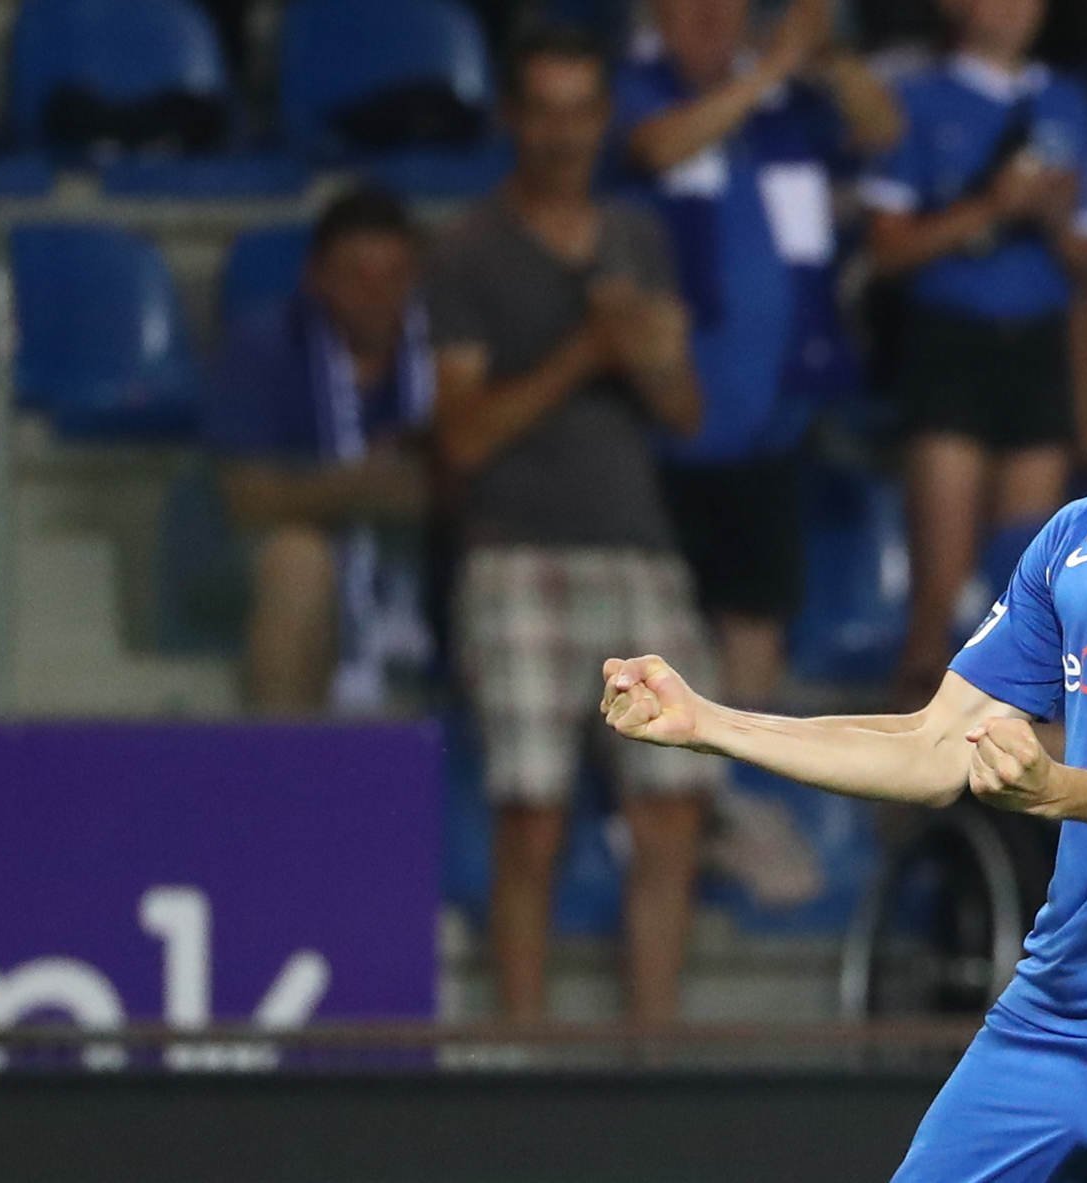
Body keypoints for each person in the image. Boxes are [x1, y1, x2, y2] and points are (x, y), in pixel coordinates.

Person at [604, 182, 1087, 1181]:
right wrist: (709, 721)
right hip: (1044, 1017)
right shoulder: (1077, 536)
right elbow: (938, 745)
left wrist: (1054, 788)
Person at [425, 26, 719, 1025]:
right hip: (516, 553)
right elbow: (461, 438)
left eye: (579, 112)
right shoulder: (468, 250)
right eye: (541, 112)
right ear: (512, 119)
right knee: (532, 816)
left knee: (671, 809)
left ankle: (654, 1061)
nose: (561, 135)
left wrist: (648, 354)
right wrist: (588, 349)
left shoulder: (637, 237)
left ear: (603, 119)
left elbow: (684, 412)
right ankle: (518, 1061)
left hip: (638, 545)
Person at [607, 0, 901, 712]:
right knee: (661, 627)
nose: (711, 16)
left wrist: (824, 56)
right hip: (664, 414)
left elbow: (882, 130)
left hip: (773, 412)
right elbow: (659, 147)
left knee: (755, 615)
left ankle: (743, 795)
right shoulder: (633, 87)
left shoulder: (786, 103)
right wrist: (770, 67)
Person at [859, 0, 1087, 708]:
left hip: (1037, 346)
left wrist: (1053, 213)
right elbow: (886, 248)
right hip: (950, 341)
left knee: (1021, 581)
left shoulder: (1065, 102)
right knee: (938, 597)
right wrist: (993, 209)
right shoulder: (915, 98)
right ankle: (915, 762)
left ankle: (1004, 766)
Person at [203, 186, 433, 716]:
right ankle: (284, 764)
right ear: (316, 276)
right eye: (356, 276)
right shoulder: (265, 344)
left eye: (393, 277)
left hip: (421, 555)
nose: (375, 294)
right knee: (298, 560)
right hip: (263, 558)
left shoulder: (445, 348)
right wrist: (360, 487)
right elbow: (245, 500)